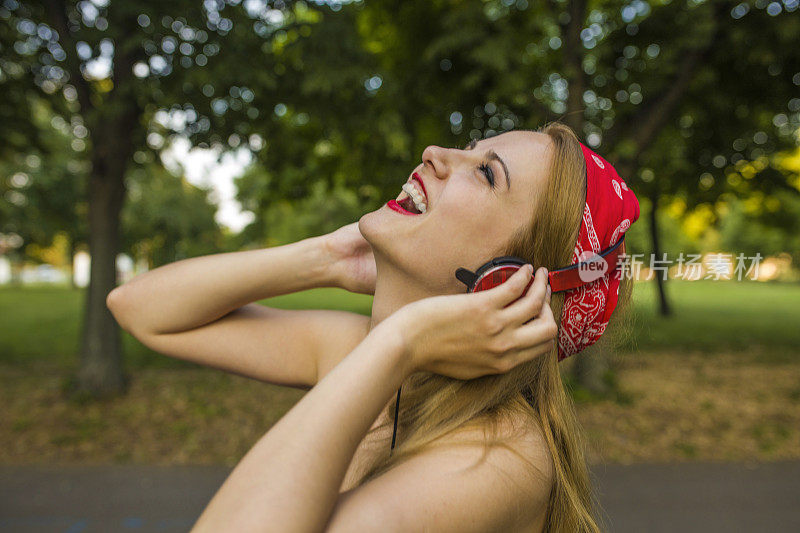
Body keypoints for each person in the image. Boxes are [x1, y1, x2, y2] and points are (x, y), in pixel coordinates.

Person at [107, 121, 640, 532]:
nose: (436, 153)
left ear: (509, 282)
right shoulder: (361, 352)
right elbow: (140, 308)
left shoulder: (497, 463)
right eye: (471, 147)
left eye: (486, 172)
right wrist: (326, 258)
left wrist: (401, 340)